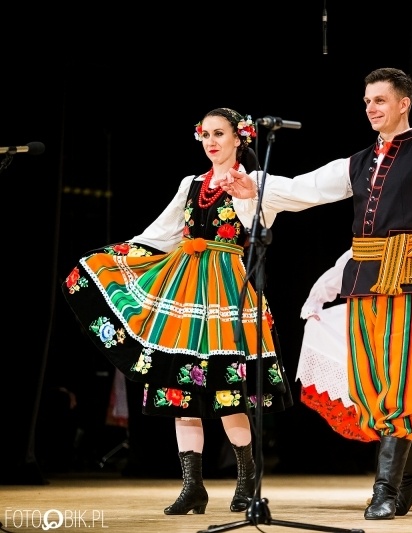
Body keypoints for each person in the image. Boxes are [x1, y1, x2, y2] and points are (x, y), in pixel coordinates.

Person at [217, 67, 412, 520]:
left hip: (409, 279)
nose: (371, 108)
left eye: (380, 100)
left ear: (403, 104)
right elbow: (305, 189)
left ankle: (386, 489)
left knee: (398, 379)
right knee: (366, 382)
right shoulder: (357, 162)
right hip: (365, 279)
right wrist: (253, 186)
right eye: (367, 101)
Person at [61, 108, 293, 515]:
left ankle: (246, 482)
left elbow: (258, 228)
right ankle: (193, 487)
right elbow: (160, 234)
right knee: (180, 390)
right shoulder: (190, 184)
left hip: (226, 290)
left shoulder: (255, 183)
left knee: (228, 392)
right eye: (205, 134)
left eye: (219, 133)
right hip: (183, 291)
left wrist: (242, 190)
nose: (211, 141)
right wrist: (115, 257)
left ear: (240, 138)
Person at [296, 249, 412, 504]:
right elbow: (341, 269)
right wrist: (314, 303)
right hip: (378, 320)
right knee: (384, 398)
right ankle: (391, 483)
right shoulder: (369, 243)